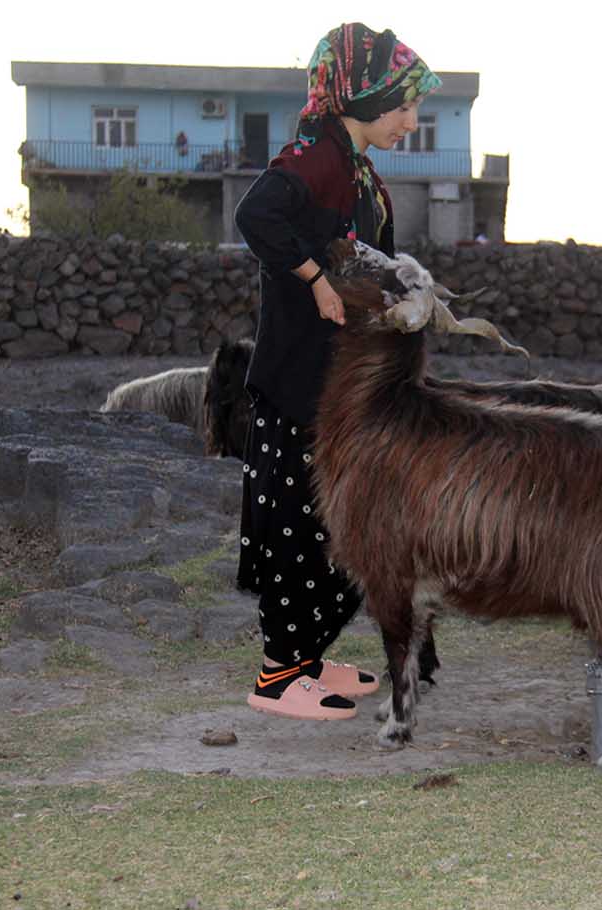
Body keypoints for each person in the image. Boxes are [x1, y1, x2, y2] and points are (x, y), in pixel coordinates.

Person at [233, 22, 441, 720]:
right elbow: (256, 214)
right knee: (302, 525)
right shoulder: (315, 157)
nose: (412, 122)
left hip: (336, 387)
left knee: (342, 526)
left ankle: (306, 659)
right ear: (365, 96)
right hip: (300, 383)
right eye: (404, 106)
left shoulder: (354, 167)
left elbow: (370, 257)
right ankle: (277, 676)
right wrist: (315, 278)